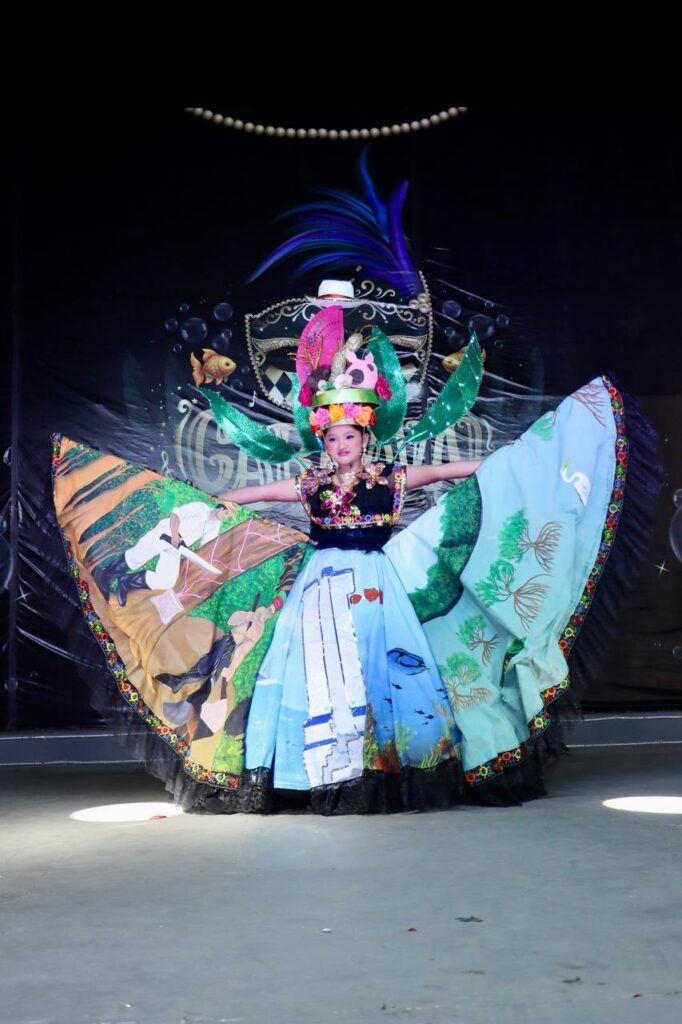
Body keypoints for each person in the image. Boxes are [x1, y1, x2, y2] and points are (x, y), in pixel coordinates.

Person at [51, 281, 661, 815]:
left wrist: (514, 463)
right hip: (318, 585)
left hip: (378, 581)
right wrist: (195, 509)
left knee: (382, 668)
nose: (341, 446)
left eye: (348, 437)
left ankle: (383, 766)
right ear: (323, 440)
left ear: (363, 435)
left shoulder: (391, 477)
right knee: (315, 671)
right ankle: (312, 773)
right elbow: (250, 494)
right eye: (333, 438)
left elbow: (453, 473)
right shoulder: (311, 483)